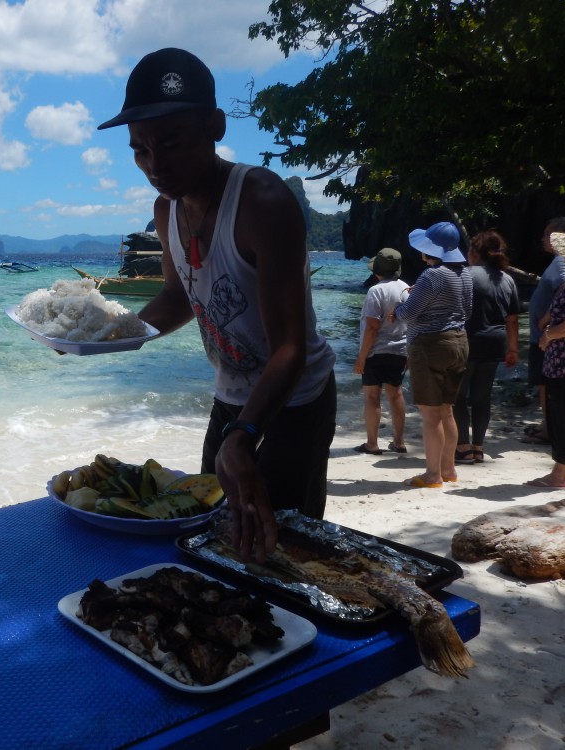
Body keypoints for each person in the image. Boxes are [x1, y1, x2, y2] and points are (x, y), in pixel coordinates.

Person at [98, 48, 336, 562]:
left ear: (215, 125)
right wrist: (108, 336)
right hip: (230, 395)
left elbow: (289, 348)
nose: (154, 164)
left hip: (294, 399)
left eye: (171, 142)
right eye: (139, 149)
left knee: (283, 543)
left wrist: (245, 434)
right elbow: (178, 296)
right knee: (219, 531)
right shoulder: (167, 210)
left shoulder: (262, 201)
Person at [389, 222, 472, 488]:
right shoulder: (465, 274)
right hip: (459, 341)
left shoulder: (431, 275)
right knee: (447, 410)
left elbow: (409, 313)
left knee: (430, 415)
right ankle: (449, 470)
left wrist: (397, 311)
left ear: (429, 251)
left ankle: (432, 475)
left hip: (430, 344)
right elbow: (466, 311)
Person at [453, 231, 520, 464]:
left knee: (458, 396)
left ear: (474, 252)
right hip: (495, 344)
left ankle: (462, 446)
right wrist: (512, 349)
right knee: (482, 398)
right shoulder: (507, 279)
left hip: (467, 342)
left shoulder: (465, 274)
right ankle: (478, 448)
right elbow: (512, 319)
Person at [353, 248, 409, 455]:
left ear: (377, 270)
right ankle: (399, 442)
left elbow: (373, 326)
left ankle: (372, 444)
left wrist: (361, 357)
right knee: (396, 394)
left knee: (371, 397)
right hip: (401, 349)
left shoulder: (376, 290)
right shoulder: (406, 289)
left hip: (376, 351)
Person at [528, 231, 565, 487]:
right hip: (558, 362)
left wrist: (549, 335)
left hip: (563, 364)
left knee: (562, 417)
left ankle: (560, 475)